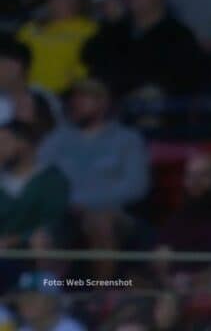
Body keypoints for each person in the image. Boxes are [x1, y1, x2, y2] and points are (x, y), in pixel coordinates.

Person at [38, 79, 148, 277]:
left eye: (84, 98)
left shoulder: (128, 140)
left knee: (98, 221)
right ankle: (48, 293)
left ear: (103, 103)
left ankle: (101, 295)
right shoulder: (56, 140)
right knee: (39, 230)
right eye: (74, 99)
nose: (75, 103)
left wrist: (87, 203)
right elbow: (42, 179)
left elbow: (136, 186)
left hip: (114, 213)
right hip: (63, 212)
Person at [81, 0, 211, 97]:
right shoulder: (118, 29)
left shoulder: (177, 34)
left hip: (153, 105)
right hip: (111, 101)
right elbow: (89, 55)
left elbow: (181, 78)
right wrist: (110, 25)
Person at [15, 0, 98, 94]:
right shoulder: (29, 29)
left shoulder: (90, 30)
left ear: (79, 1)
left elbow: (87, 68)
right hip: (25, 92)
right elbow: (14, 61)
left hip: (65, 94)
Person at [0, 120, 69, 249]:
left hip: (32, 252)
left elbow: (52, 223)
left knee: (41, 239)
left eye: (4, 142)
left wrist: (12, 241)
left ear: (25, 144)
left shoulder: (51, 181)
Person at [15, 271, 86, 331]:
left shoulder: (72, 329)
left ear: (52, 301)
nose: (25, 301)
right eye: (22, 296)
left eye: (33, 296)